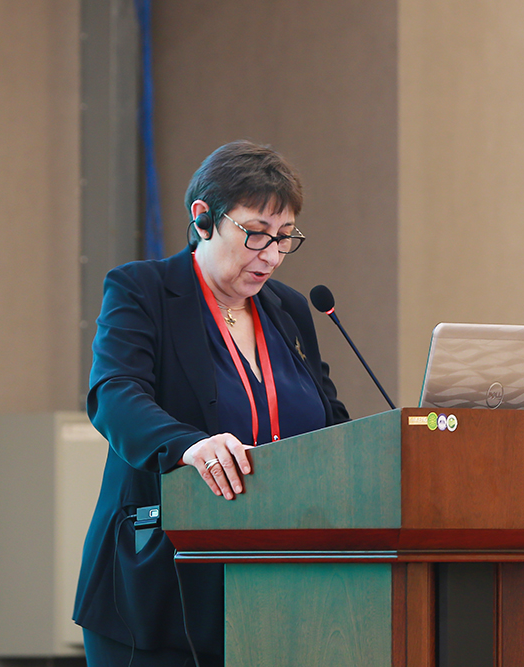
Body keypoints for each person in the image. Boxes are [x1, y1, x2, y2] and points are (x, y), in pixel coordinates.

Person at [73, 140, 350, 666]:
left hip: (280, 589)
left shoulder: (290, 310)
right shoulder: (143, 291)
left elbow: (332, 423)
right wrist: (190, 446)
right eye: (256, 234)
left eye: (284, 237)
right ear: (203, 218)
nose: (271, 255)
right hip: (160, 587)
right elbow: (115, 395)